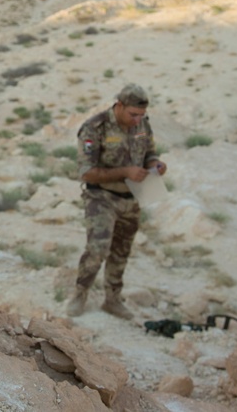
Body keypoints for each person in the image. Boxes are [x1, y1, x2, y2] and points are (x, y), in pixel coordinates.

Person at [66, 83, 166, 319]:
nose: (137, 120)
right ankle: (80, 294)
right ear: (119, 106)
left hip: (132, 197)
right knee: (98, 248)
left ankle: (112, 299)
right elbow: (87, 172)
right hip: (101, 195)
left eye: (141, 115)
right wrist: (125, 172)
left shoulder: (142, 124)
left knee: (121, 251)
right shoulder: (95, 127)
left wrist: (155, 165)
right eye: (133, 114)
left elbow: (150, 152)